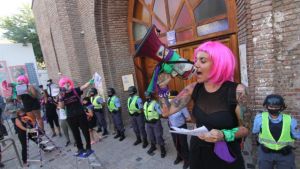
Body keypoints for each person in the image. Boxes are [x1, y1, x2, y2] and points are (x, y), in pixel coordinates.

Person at [158, 41, 249, 169]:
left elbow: (245, 129)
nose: (196, 65)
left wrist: (223, 135)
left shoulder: (238, 91)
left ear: (218, 64)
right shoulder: (192, 88)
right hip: (198, 153)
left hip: (225, 155)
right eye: (196, 60)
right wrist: (161, 88)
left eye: (202, 60)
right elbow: (166, 112)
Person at [252, 94, 300, 169]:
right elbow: (255, 131)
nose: (273, 109)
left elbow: (296, 135)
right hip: (265, 153)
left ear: (281, 107)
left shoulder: (290, 120)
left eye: (276, 107)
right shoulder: (260, 118)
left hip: (285, 153)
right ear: (266, 106)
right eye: (271, 106)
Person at [58, 77, 94, 156]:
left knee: (85, 131)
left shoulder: (75, 90)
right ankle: (80, 148)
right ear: (62, 86)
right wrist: (61, 97)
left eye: (67, 83)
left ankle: (88, 147)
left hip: (80, 114)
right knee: (75, 133)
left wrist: (91, 81)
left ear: (69, 83)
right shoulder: (62, 94)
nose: (66, 84)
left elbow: (84, 86)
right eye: (64, 84)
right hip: (70, 116)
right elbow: (61, 107)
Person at [168, 90, 191, 169]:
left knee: (183, 144)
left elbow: (188, 118)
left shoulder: (182, 106)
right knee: (176, 143)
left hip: (181, 127)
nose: (171, 100)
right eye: (170, 98)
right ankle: (179, 156)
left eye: (173, 98)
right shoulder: (169, 105)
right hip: (172, 127)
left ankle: (187, 160)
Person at [144, 92, 166, 158]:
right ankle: (153, 146)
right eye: (146, 96)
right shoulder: (145, 103)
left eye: (148, 96)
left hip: (155, 123)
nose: (147, 98)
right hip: (148, 123)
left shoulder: (155, 104)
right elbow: (145, 112)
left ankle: (163, 149)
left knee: (158, 136)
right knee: (150, 135)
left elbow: (161, 113)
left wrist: (162, 105)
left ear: (151, 96)